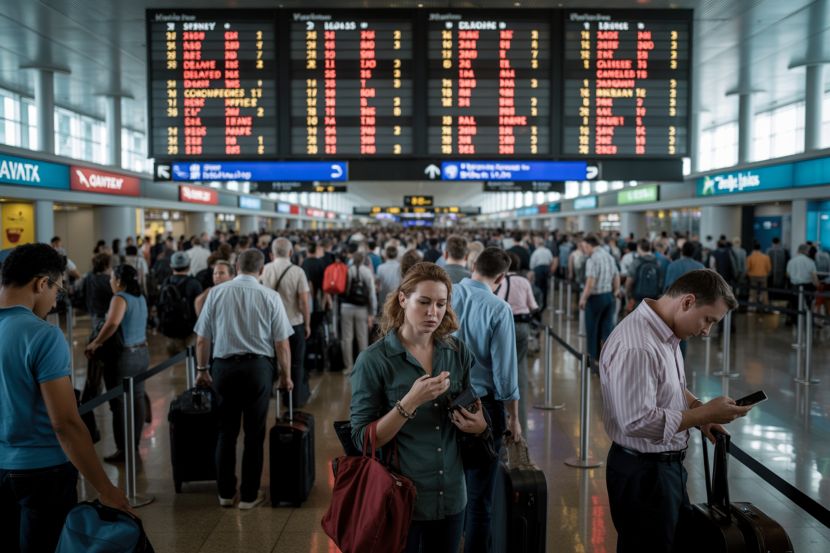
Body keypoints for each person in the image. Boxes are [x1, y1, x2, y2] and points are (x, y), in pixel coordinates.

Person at [600, 269, 753, 553]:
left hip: (660, 470)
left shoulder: (664, 335)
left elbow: (665, 387)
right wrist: (705, 414)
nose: (707, 331)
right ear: (687, 302)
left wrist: (697, 409)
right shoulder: (639, 345)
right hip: (644, 475)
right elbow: (637, 422)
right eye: (708, 320)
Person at [0, 244, 132, 553]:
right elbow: (66, 424)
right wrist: (106, 488)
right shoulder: (42, 334)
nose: (55, 300)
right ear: (41, 283)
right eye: (57, 290)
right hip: (43, 472)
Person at [350, 262, 487, 553]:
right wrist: (409, 402)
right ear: (402, 298)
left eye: (441, 303)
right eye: (423, 302)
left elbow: (474, 408)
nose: (433, 313)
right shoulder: (375, 361)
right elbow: (363, 439)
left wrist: (480, 426)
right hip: (400, 497)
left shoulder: (456, 351)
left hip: (451, 493)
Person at [194, 249, 293, 509]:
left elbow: (202, 338)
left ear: (236, 266)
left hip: (223, 368)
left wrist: (202, 369)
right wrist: (286, 376)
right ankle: (249, 495)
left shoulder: (215, 293)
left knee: (226, 432)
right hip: (258, 369)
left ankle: (225, 493)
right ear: (262, 270)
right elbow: (282, 343)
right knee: (254, 433)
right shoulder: (270, 296)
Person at [452, 247, 521, 553]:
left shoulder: (446, 296)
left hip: (442, 401)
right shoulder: (498, 308)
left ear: (473, 265)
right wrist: (513, 417)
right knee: (480, 497)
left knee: (449, 489)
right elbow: (505, 374)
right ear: (501, 277)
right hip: (483, 408)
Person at [85, 264, 149, 463]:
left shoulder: (120, 298)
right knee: (137, 399)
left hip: (124, 357)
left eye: (112, 278)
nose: (110, 281)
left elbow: (112, 323)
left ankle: (123, 449)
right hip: (142, 353)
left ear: (120, 281)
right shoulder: (140, 297)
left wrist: (96, 342)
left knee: (119, 404)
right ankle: (134, 445)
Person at [261, 238, 312, 407]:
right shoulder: (297, 271)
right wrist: (307, 324)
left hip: (269, 326)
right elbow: (304, 301)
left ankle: (268, 397)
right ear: (291, 253)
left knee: (270, 363)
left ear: (271, 253)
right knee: (296, 363)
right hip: (293, 324)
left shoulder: (265, 270)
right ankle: (293, 401)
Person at [495, 252, 538, 430]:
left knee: (504, 366)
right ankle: (520, 419)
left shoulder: (502, 281)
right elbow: (533, 306)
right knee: (519, 366)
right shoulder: (524, 281)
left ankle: (506, 418)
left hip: (507, 325)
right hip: (523, 327)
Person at [578, 235, 620, 363]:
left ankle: (593, 359)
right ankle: (608, 359)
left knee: (592, 330)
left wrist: (583, 298)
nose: (583, 250)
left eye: (584, 247)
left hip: (595, 298)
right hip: (609, 297)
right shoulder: (609, 256)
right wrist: (616, 290)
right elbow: (616, 275)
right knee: (606, 330)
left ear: (590, 245)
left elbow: (590, 282)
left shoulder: (592, 259)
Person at [158, 251, 203, 356]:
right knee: (191, 363)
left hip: (169, 330)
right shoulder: (194, 283)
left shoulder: (166, 282)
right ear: (189, 265)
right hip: (189, 330)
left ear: (171, 266)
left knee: (173, 363)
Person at [340, 252, 377, 374]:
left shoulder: (347, 270)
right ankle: (363, 367)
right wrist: (373, 312)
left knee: (347, 338)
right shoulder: (367, 272)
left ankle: (348, 367)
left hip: (346, 307)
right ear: (363, 260)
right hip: (362, 308)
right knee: (362, 338)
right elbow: (371, 294)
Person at [83, 252, 114, 329]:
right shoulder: (107, 280)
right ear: (106, 266)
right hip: (104, 314)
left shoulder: (89, 276)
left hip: (94, 312)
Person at [529, 235, 557, 310]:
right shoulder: (548, 251)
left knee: (538, 286)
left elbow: (532, 264)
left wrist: (532, 271)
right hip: (546, 269)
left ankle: (538, 302)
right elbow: (551, 260)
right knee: (545, 287)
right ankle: (544, 303)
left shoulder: (536, 252)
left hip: (538, 269)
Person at [376, 245, 402, 313]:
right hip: (396, 295)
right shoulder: (400, 267)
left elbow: (378, 284)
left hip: (384, 296)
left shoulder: (380, 267)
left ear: (386, 255)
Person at [746, 241, 772, 306]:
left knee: (753, 291)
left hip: (753, 276)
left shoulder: (750, 257)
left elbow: (747, 268)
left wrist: (749, 274)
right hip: (763, 276)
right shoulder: (766, 257)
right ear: (760, 248)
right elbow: (769, 268)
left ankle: (752, 305)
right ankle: (765, 305)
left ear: (753, 248)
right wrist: (766, 273)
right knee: (764, 291)